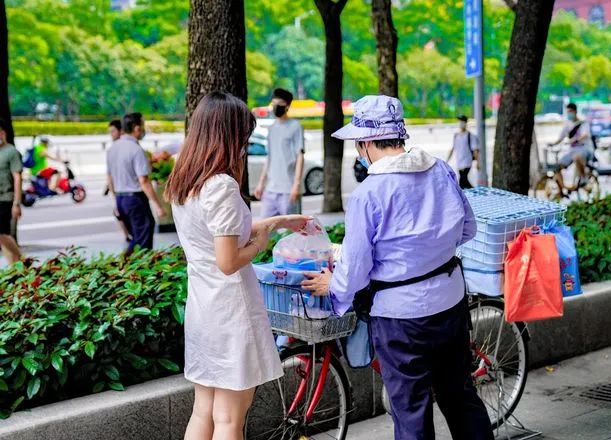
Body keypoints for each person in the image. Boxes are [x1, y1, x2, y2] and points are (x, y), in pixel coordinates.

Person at [302, 95, 493, 440]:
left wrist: (334, 286)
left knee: (411, 412)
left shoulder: (368, 194)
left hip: (401, 320)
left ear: (364, 144)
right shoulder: (441, 170)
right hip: (450, 304)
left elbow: (356, 270)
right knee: (461, 397)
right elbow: (468, 228)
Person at [165, 91, 309, 440]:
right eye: (243, 137)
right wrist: (261, 243)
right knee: (230, 419)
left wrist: (276, 222)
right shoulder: (222, 186)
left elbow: (220, 237)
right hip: (231, 310)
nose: (245, 145)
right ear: (229, 136)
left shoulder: (185, 182)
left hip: (203, 307)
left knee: (204, 410)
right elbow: (229, 259)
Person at [106, 112, 165, 253]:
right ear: (137, 128)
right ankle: (126, 267)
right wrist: (158, 206)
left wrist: (116, 201)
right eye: (143, 126)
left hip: (121, 199)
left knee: (136, 238)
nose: (144, 130)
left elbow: (109, 178)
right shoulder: (136, 150)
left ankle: (126, 267)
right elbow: (143, 180)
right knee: (142, 241)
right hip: (135, 200)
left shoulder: (112, 149)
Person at [254, 88, 305, 217]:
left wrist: (296, 185)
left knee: (293, 232)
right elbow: (269, 157)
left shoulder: (295, 126)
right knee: (264, 230)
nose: (276, 107)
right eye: (274, 103)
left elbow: (300, 156)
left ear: (287, 105)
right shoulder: (271, 129)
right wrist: (261, 183)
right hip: (270, 190)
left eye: (279, 103)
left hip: (288, 190)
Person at [548, 103, 593, 195]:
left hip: (584, 149)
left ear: (575, 111)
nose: (569, 114)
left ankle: (583, 178)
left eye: (570, 112)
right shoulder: (567, 124)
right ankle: (563, 189)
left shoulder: (583, 123)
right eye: (567, 112)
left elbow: (585, 135)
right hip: (572, 150)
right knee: (557, 167)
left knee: (576, 157)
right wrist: (552, 144)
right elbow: (560, 138)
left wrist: (575, 139)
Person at [0, 119, 23, 264]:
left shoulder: (11, 152)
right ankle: (14, 268)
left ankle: (22, 260)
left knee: (3, 233)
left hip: (6, 198)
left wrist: (17, 203)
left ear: (2, 133)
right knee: (3, 238)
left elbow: (17, 178)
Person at [447, 115, 480, 189]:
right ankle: (474, 192)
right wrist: (447, 160)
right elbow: (453, 148)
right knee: (463, 182)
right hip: (459, 162)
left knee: (462, 180)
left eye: (462, 121)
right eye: (459, 121)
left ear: (466, 123)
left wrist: (478, 162)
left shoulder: (470, 136)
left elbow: (475, 150)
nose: (461, 123)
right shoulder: (456, 135)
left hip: (467, 162)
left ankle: (471, 193)